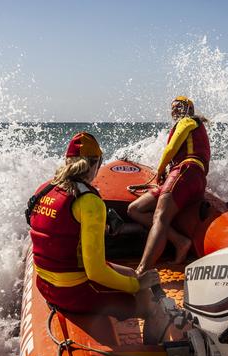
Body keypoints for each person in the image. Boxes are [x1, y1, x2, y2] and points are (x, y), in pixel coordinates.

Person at [27, 132, 162, 326]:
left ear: (67, 161)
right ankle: (154, 350)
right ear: (96, 164)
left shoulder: (44, 188)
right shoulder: (89, 201)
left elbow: (60, 231)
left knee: (132, 273)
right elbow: (96, 272)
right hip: (72, 292)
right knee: (149, 302)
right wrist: (136, 285)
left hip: (44, 285)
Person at [128, 96, 210, 273]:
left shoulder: (188, 121)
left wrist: (160, 170)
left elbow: (171, 148)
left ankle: (141, 271)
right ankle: (180, 241)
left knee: (160, 218)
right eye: (172, 107)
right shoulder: (197, 130)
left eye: (179, 106)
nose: (174, 109)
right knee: (135, 209)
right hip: (193, 179)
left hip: (185, 173)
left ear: (190, 109)